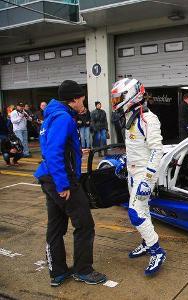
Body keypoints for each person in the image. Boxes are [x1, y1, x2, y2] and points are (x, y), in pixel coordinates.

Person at [34, 80, 107, 287]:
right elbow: (53, 152)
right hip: (61, 179)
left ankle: (57, 273)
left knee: (56, 226)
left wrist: (77, 152)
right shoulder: (64, 118)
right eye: (82, 97)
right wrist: (63, 185)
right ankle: (83, 270)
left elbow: (52, 146)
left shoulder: (52, 114)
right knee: (84, 224)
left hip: (48, 176)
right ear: (74, 99)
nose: (84, 100)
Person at [110, 78, 166, 276]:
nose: (115, 103)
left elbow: (156, 151)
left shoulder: (148, 118)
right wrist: (125, 162)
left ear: (132, 95)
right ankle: (146, 241)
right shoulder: (131, 116)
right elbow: (136, 147)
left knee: (135, 213)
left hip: (144, 175)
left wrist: (148, 179)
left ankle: (157, 251)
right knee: (143, 210)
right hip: (133, 173)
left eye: (119, 98)